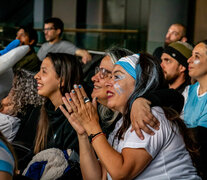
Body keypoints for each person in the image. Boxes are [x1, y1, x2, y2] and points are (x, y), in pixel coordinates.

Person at [60, 53, 200, 179]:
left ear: (140, 83)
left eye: (117, 76)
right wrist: (84, 134)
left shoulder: (149, 116)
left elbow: (120, 173)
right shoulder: (122, 124)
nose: (108, 82)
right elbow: (95, 177)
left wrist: (93, 126)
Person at [182, 40, 207, 179]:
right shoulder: (188, 91)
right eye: (191, 55)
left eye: (196, 56)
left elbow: (200, 136)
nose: (189, 60)